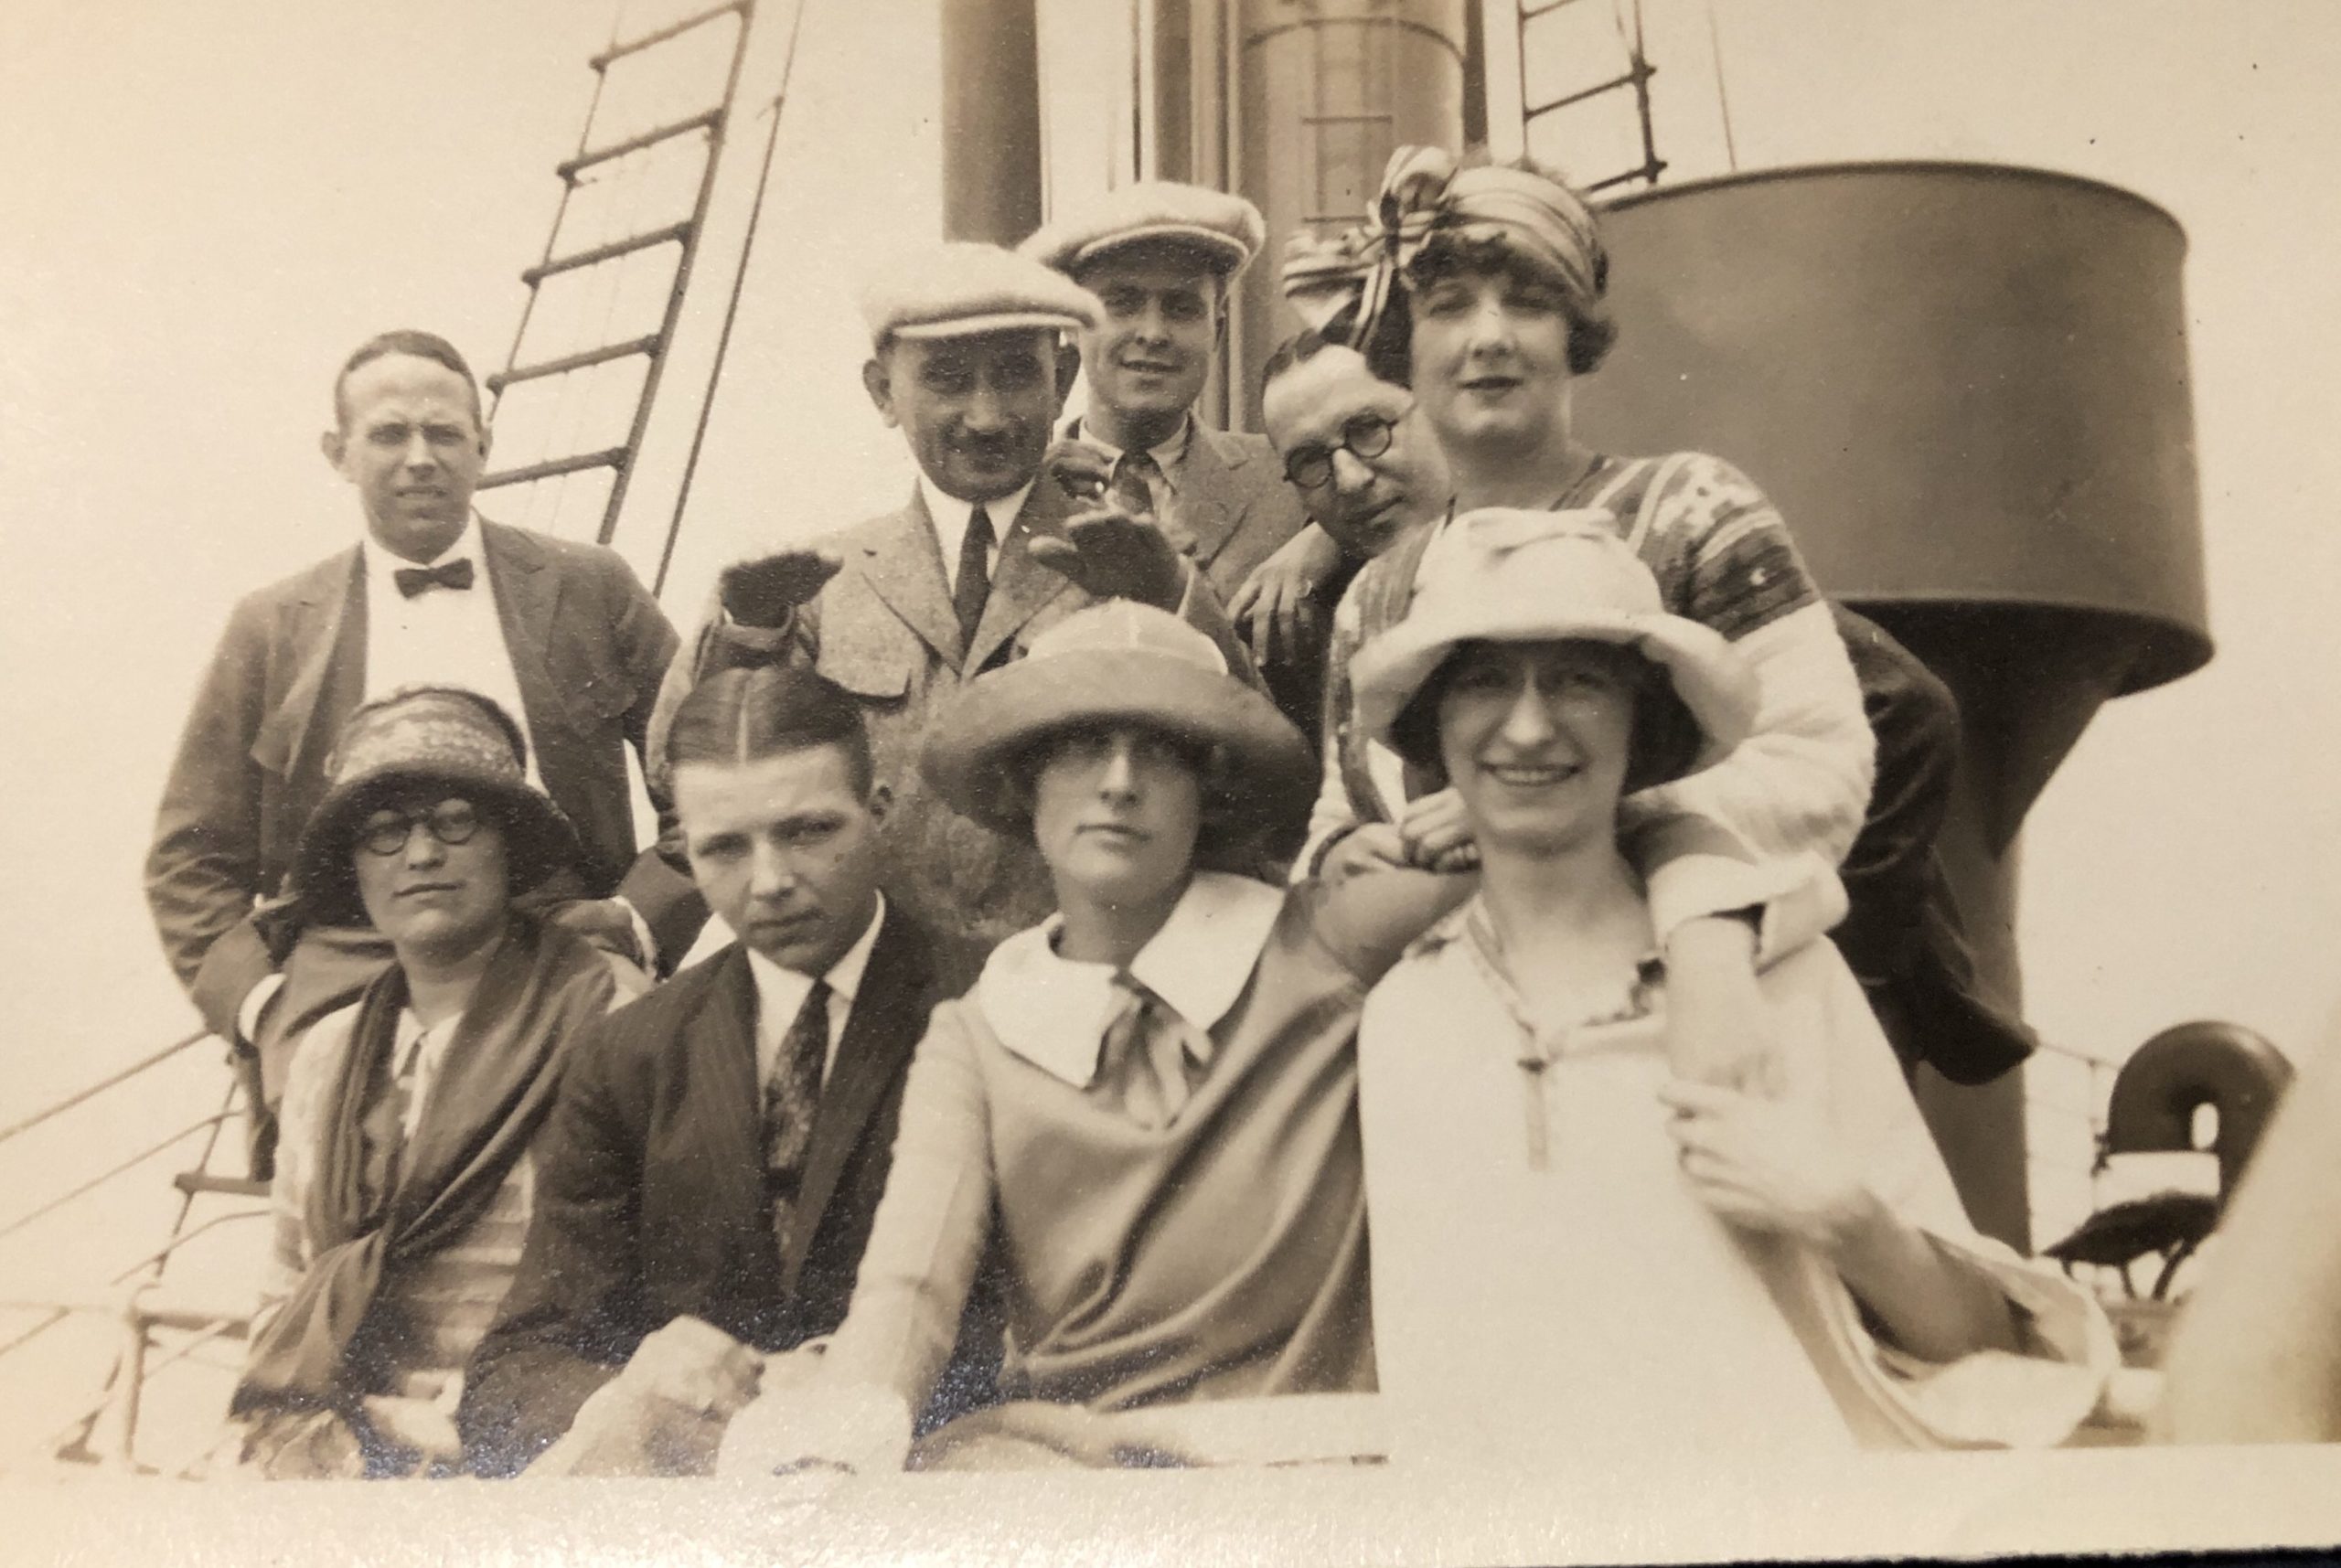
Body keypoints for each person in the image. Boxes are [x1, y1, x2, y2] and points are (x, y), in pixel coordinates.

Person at [1347, 513, 2112, 1460]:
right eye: (1484, 679)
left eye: (1580, 678)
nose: (1530, 725)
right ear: (1434, 720)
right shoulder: (1391, 1012)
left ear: (1645, 719)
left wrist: (1843, 1212)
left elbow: (1984, 1344)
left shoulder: (1778, 978)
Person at [1281, 150, 2035, 1085]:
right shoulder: (1375, 595)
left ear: (1576, 335)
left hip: (1679, 1027)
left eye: (1526, 302)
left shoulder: (1689, 511)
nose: (1486, 337)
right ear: (1404, 345)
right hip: (1461, 1052)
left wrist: (1550, 812)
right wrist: (1365, 848)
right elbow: (1332, 822)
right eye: (1448, 306)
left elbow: (1820, 758)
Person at [713, 600, 1470, 1475]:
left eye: (1158, 751)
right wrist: (836, 1454)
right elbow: (909, 1289)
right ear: (1023, 783)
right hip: (1076, 1478)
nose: (1118, 782)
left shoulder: (1327, 937)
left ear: (1207, 789)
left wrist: (1475, 828)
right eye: (1079, 749)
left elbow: (1567, 854)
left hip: (1313, 1471)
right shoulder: (977, 1031)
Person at [147, 330, 700, 1175]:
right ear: (339, 453)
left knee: (605, 1169)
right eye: (389, 435)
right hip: (345, 958)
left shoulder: (590, 585)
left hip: (559, 939)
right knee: (341, 1191)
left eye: (444, 433)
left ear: (483, 446)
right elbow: (189, 859)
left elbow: (710, 781)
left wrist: (636, 919)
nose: (419, 459)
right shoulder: (271, 624)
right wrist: (260, 1002)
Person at [651, 242, 1264, 950]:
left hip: (1078, 980)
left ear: (1061, 380)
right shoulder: (818, 582)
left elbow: (1252, 781)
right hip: (874, 996)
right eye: (947, 380)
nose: (986, 417)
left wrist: (1176, 596)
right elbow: (686, 797)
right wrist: (749, 634)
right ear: (882, 391)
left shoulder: (1132, 558)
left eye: (1015, 376)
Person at [457, 667, 989, 1477]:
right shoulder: (628, 1053)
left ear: (880, 811)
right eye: (725, 848)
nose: (769, 880)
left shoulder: (996, 1004)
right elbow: (511, 1375)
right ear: (684, 849)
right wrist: (632, 1383)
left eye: (808, 830)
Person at [222, 687, 649, 1478]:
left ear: (508, 846)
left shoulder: (608, 1015)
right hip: (347, 1439)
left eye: (455, 820)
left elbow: (655, 1282)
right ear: (355, 866)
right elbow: (286, 1286)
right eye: (385, 832)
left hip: (545, 1447)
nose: (420, 855)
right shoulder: (328, 1053)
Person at [1020, 180, 1331, 734]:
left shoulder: (1287, 481)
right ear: (1074, 326)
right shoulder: (1017, 491)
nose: (1153, 333)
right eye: (1122, 304)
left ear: (1216, 331)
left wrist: (1325, 535)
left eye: (1182, 308)